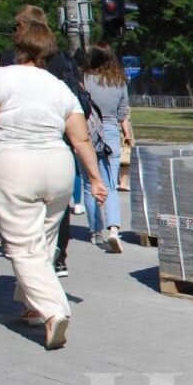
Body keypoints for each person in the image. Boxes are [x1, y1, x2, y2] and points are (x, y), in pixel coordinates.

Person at [0, 20, 108, 349]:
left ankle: (53, 310)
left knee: (23, 247)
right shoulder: (59, 87)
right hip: (58, 166)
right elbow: (80, 139)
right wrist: (95, 179)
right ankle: (32, 307)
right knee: (44, 241)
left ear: (17, 47)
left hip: (14, 165)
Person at [4, 6, 86, 276]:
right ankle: (57, 256)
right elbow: (77, 121)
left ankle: (39, 290)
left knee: (25, 220)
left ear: (22, 27)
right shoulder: (60, 59)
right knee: (55, 209)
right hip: (58, 147)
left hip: (18, 151)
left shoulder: (9, 63)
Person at [82, 42, 133, 253]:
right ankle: (114, 228)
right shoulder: (118, 81)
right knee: (111, 183)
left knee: (89, 182)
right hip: (111, 131)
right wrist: (126, 131)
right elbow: (123, 113)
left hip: (87, 131)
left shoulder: (84, 79)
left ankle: (95, 230)